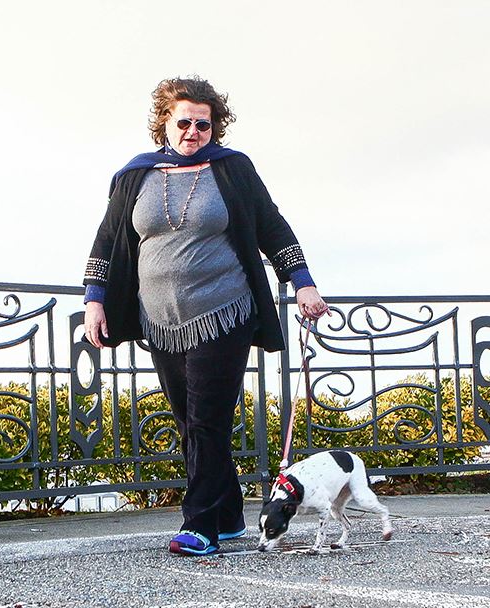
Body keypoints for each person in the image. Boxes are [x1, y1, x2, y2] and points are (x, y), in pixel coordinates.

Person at [81, 76, 330, 556]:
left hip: (223, 310)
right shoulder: (136, 175)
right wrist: (95, 298)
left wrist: (303, 284)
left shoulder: (232, 170)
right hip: (160, 319)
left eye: (203, 123)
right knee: (188, 419)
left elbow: (273, 227)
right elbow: (108, 239)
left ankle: (200, 526)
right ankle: (231, 514)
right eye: (184, 122)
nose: (193, 131)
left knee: (206, 421)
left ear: (215, 127)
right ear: (164, 124)